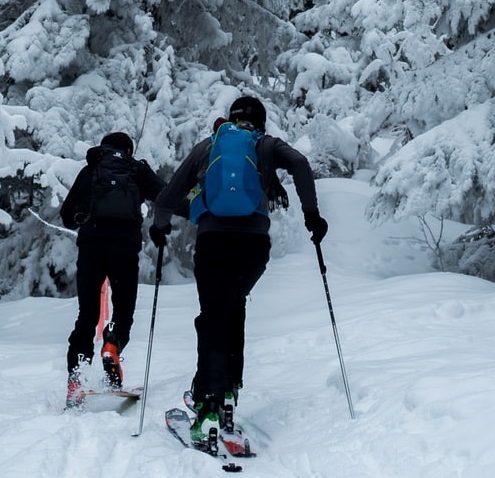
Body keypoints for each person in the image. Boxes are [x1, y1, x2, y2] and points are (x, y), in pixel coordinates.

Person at [150, 94, 327, 448]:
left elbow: (170, 192)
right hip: (253, 248)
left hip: (214, 242)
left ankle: (208, 407)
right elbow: (302, 164)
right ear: (261, 121)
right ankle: (228, 394)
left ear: (231, 118)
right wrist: (312, 215)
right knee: (234, 310)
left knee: (213, 318)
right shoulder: (265, 145)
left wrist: (160, 225)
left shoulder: (210, 145)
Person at [59, 130, 164, 406]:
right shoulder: (136, 170)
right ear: (129, 150)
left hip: (92, 246)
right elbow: (166, 196)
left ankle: (77, 378)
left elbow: (67, 216)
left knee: (87, 314)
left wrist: (83, 215)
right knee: (124, 310)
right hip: (125, 248)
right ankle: (112, 344)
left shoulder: (90, 170)